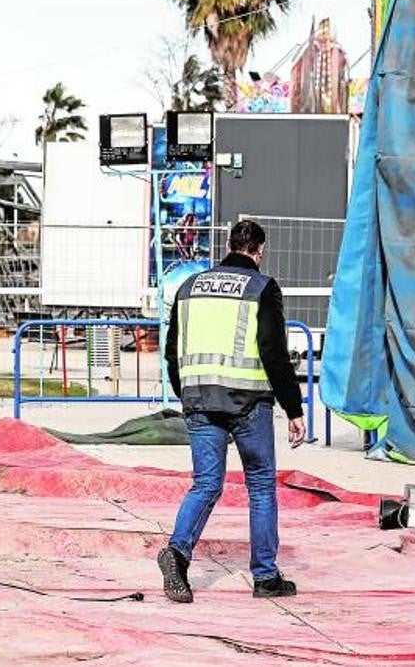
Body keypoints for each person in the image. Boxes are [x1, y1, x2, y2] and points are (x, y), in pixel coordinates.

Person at [158, 220, 306, 603]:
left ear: (228, 245)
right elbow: (273, 350)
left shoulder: (190, 287)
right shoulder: (262, 288)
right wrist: (294, 407)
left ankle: (176, 552)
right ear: (259, 251)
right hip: (248, 405)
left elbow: (172, 348)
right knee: (259, 485)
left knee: (206, 484)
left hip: (199, 401)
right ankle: (266, 577)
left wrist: (185, 392)